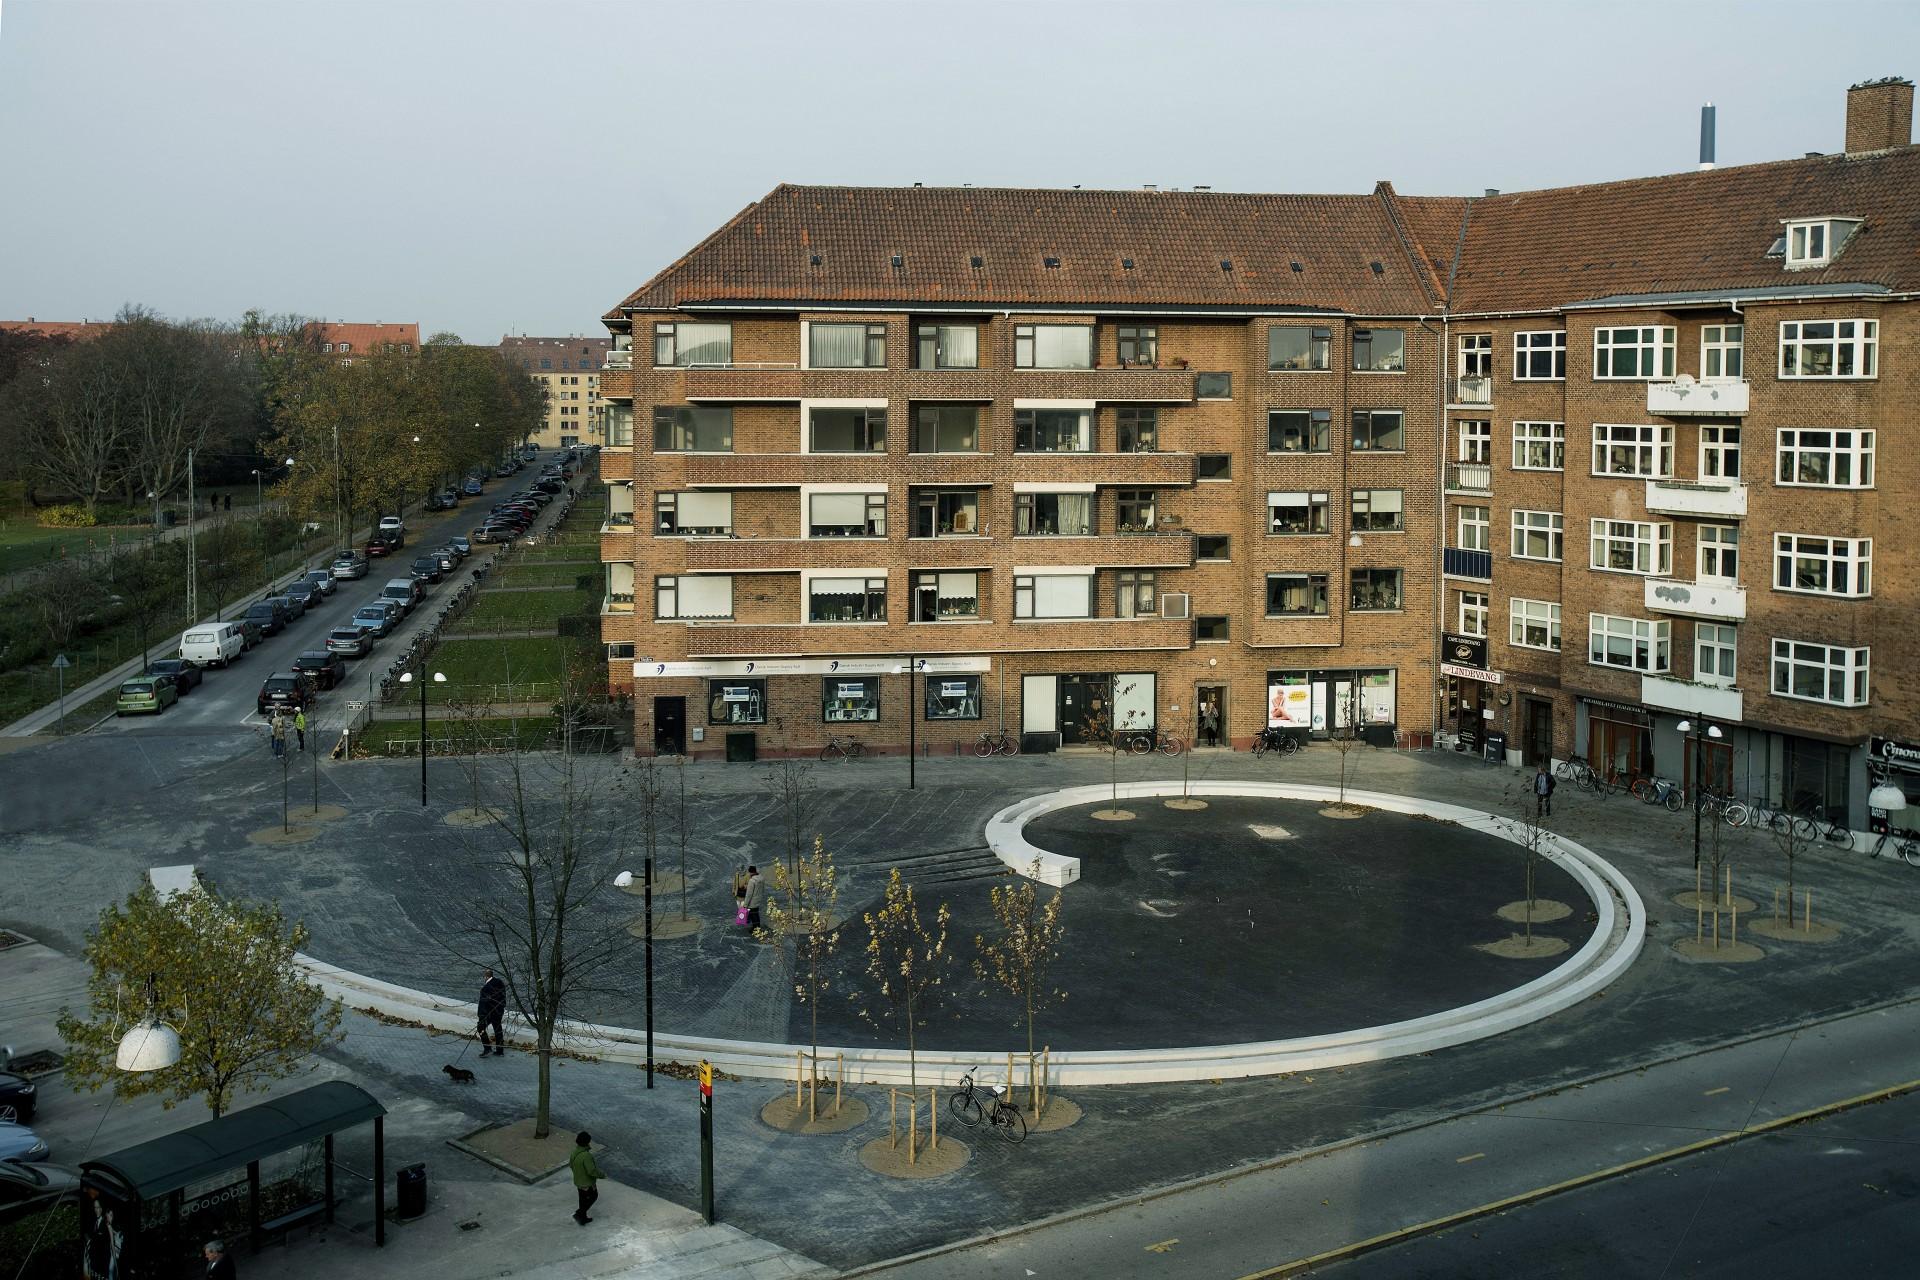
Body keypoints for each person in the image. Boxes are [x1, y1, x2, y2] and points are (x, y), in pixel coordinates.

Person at [569, 1131, 603, 1225]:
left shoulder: (574, 1152)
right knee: (593, 1196)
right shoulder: (587, 1156)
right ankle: (580, 1213)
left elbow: (571, 1165)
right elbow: (592, 1171)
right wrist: (602, 1175)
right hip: (587, 1183)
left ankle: (582, 1218)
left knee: (582, 1199)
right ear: (587, 1142)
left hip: (578, 1181)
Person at [477, 967, 507, 1056]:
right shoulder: (500, 983)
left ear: (485, 977)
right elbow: (502, 998)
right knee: (498, 1030)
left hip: (488, 1014)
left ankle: (487, 1048)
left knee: (480, 1028)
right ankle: (500, 1051)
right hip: (498, 1012)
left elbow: (483, 1004)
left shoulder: (485, 989)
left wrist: (481, 1015)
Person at [743, 865, 765, 931]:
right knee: (756, 914)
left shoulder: (752, 881)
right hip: (758, 899)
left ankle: (755, 928)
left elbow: (749, 894)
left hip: (752, 901)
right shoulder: (761, 878)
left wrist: (745, 905)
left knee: (753, 915)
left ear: (750, 872)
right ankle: (757, 927)